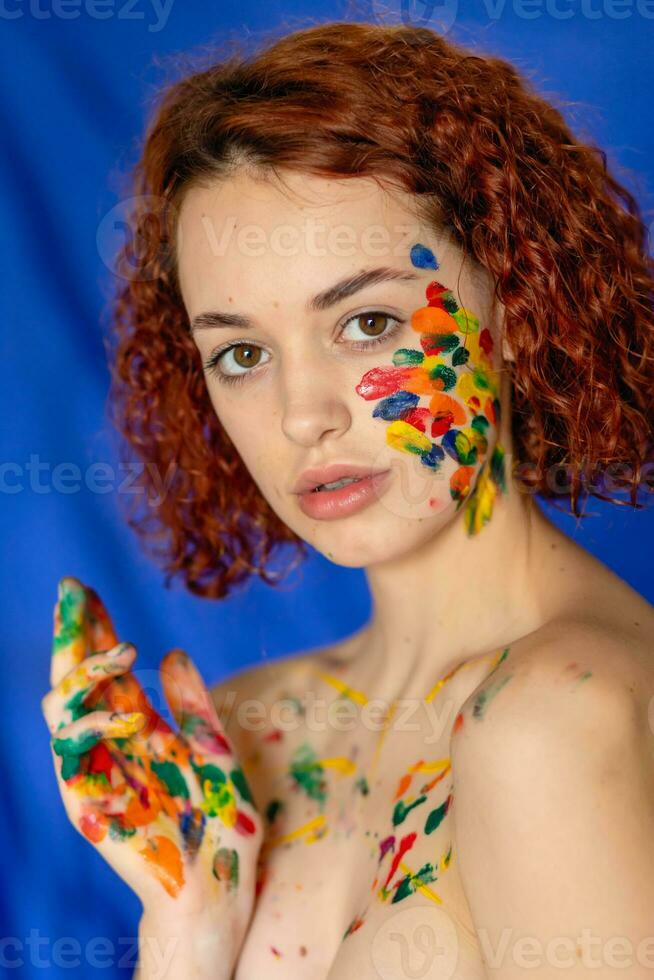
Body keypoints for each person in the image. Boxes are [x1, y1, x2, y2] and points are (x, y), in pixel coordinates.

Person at [42, 20, 654, 980]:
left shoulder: (548, 722)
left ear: (518, 297)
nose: (301, 417)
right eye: (242, 354)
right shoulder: (248, 731)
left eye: (366, 322)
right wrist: (186, 936)